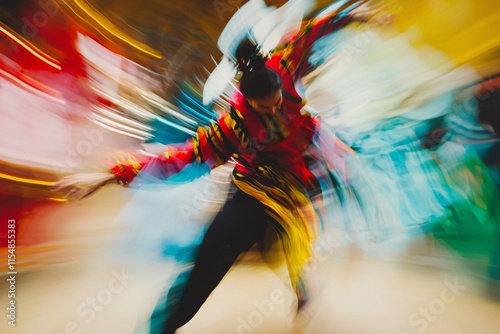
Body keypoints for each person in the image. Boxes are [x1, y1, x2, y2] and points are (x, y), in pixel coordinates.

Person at [53, 2, 386, 333]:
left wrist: (354, 16)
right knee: (208, 262)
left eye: (278, 103)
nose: (274, 111)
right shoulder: (232, 127)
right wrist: (110, 173)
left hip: (294, 191)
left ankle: (302, 287)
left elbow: (315, 31)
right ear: (247, 99)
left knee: (290, 246)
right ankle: (161, 327)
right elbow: (180, 159)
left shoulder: (285, 63)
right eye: (265, 108)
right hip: (250, 195)